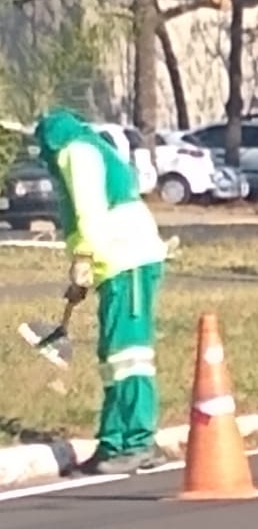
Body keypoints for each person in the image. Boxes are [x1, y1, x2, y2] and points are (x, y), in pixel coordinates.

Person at [34, 108, 170, 474]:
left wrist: (82, 260)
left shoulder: (75, 153)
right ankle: (112, 442)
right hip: (114, 263)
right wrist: (83, 270)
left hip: (130, 260)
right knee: (113, 356)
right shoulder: (84, 146)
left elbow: (90, 212)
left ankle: (139, 441)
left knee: (130, 354)